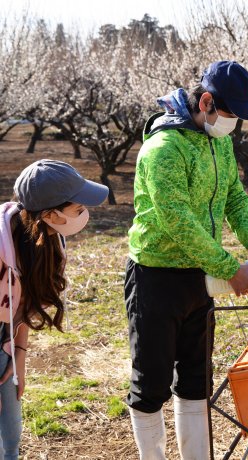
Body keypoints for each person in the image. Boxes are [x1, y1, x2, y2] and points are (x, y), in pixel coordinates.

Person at [125, 60, 248, 459]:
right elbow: (177, 221)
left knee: (196, 378)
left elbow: (234, 198)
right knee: (152, 382)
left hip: (200, 274)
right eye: (229, 114)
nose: (232, 124)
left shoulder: (219, 143)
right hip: (156, 276)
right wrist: (232, 270)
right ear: (207, 102)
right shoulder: (163, 149)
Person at [0, 159, 108, 459]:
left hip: (4, 335)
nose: (84, 214)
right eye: (78, 209)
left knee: (10, 433)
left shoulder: (43, 239)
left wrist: (18, 354)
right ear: (50, 214)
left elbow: (21, 303)